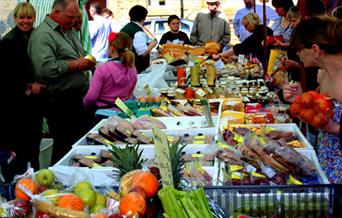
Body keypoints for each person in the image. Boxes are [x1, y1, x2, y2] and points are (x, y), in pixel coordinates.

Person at [27, 0, 96, 164]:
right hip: (59, 100)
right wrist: (77, 64)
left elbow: (76, 54)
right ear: (56, 12)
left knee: (75, 145)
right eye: (70, 17)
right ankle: (58, 183)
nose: (73, 20)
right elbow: (46, 68)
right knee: (64, 147)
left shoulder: (67, 30)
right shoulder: (43, 35)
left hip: (73, 98)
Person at [290, 16, 342, 183]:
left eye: (299, 49)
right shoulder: (324, 74)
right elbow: (320, 109)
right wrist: (300, 99)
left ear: (315, 49)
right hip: (328, 159)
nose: (297, 54)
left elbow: (331, 123)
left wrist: (333, 128)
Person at [0, 2, 45, 182]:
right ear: (15, 18)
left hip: (35, 104)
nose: (25, 21)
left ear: (34, 18)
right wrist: (27, 86)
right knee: (20, 148)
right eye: (21, 17)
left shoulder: (36, 37)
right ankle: (16, 187)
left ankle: (35, 183)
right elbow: (4, 77)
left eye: (29, 17)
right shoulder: (8, 42)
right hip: (16, 106)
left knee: (34, 145)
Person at [84, 32, 137, 122]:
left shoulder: (102, 69)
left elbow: (91, 97)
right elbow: (129, 93)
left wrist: (84, 104)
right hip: (124, 113)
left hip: (102, 114)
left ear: (112, 48)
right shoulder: (132, 69)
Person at [120, 5, 157, 74]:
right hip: (137, 69)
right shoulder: (138, 31)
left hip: (126, 66)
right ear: (144, 17)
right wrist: (151, 45)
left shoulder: (127, 26)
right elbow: (142, 53)